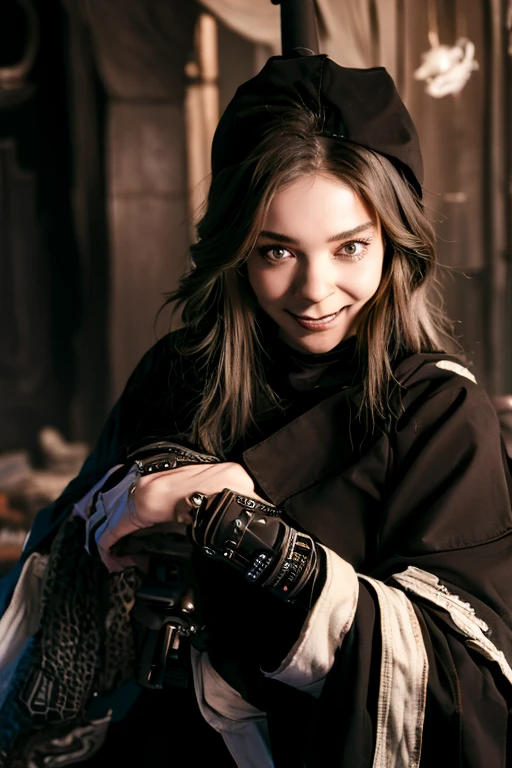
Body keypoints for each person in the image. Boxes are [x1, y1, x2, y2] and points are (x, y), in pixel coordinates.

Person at [1, 53, 512, 767]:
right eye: (277, 252)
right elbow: (60, 564)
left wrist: (260, 544)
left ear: (396, 244)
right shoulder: (178, 374)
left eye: (350, 248)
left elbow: (470, 691)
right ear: (237, 250)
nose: (315, 289)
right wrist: (130, 502)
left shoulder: (440, 412)